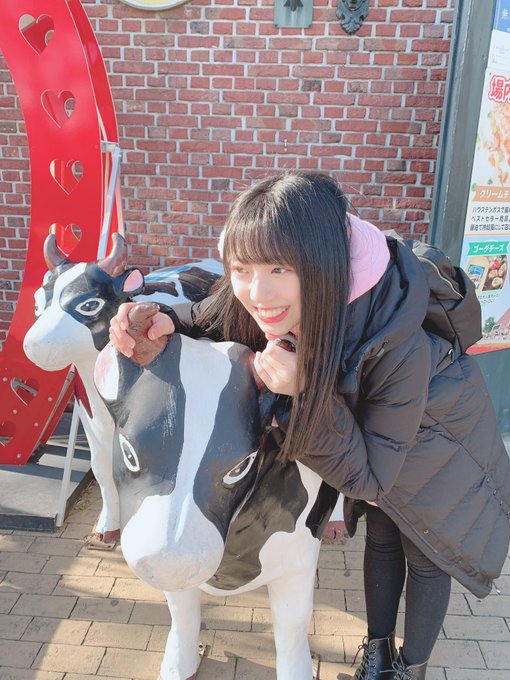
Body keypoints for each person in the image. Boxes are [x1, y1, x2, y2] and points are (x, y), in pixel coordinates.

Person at [109, 172, 510, 680]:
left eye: (279, 267)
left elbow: (368, 480)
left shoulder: (397, 341)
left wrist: (304, 395)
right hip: (370, 440)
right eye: (242, 268)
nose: (258, 291)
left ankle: (411, 668)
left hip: (437, 444)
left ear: (322, 263)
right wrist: (169, 318)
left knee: (428, 553)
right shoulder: (272, 294)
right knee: (382, 537)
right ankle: (378, 653)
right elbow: (215, 312)